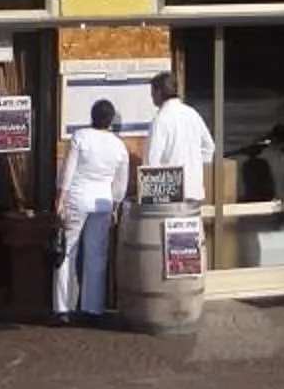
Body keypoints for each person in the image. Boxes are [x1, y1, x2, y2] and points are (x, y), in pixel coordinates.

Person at [53, 98, 130, 325]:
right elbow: (121, 183)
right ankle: (93, 308)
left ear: (92, 116)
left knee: (67, 252)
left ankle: (62, 308)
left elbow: (68, 170)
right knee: (96, 255)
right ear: (111, 120)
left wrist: (61, 196)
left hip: (77, 198)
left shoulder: (80, 137)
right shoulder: (119, 146)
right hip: (103, 202)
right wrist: (115, 204)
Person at [143, 73, 215, 205]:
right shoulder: (192, 114)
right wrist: (195, 167)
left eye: (152, 91)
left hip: (170, 194)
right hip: (194, 189)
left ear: (159, 92)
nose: (151, 96)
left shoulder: (160, 119)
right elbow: (209, 146)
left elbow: (152, 160)